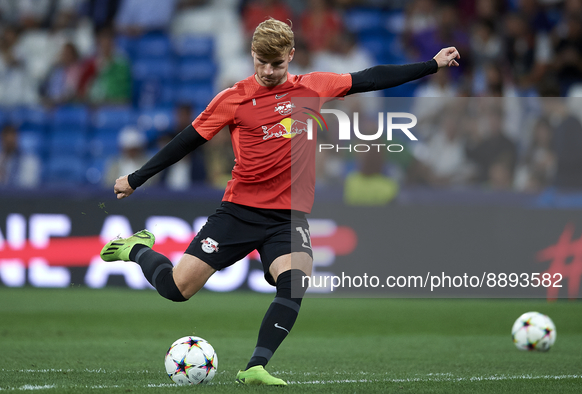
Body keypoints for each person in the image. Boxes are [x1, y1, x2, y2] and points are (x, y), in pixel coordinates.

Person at [100, 18, 460, 386]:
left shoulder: (312, 87)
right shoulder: (233, 98)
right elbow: (186, 141)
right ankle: (137, 249)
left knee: (295, 282)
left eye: (277, 64)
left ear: (291, 56)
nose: (269, 71)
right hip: (239, 212)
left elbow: (371, 78)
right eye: (261, 63)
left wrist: (432, 64)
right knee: (177, 290)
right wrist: (135, 178)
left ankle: (255, 367)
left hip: (288, 217)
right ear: (252, 55)